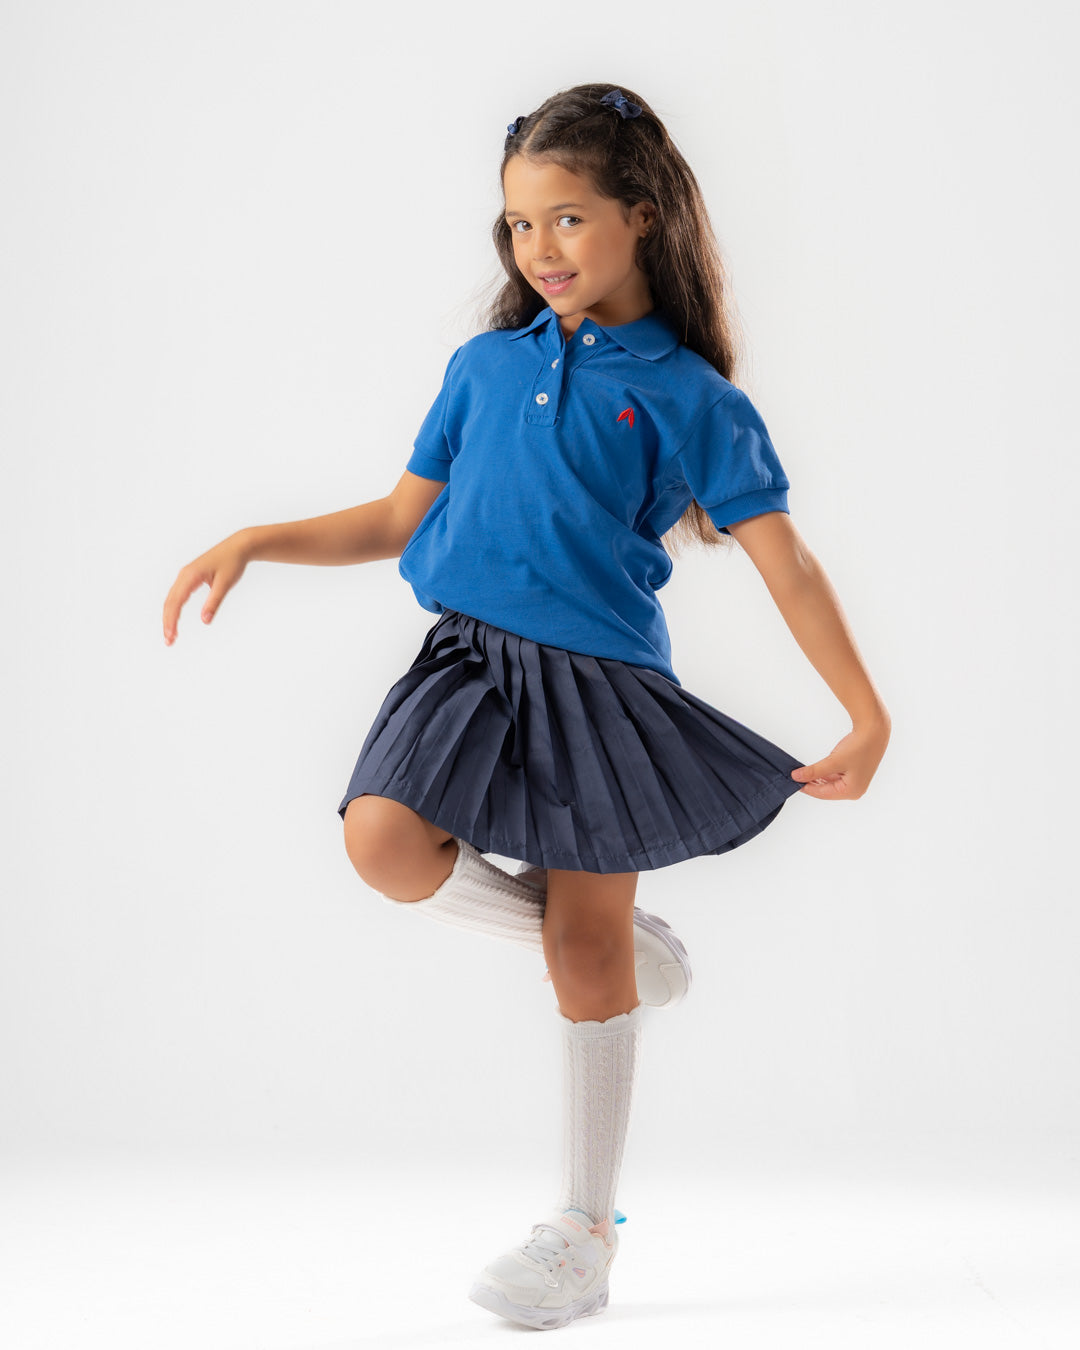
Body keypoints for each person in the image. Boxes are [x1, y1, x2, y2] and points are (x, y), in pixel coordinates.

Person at [162, 81, 890, 1332]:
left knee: (584, 956)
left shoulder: (693, 397)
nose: (538, 248)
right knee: (382, 841)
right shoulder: (483, 368)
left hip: (602, 687)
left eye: (567, 218)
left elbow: (790, 566)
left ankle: (583, 1234)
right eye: (517, 224)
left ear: (641, 216)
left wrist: (865, 714)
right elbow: (399, 517)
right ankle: (618, 952)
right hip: (467, 659)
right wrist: (256, 538)